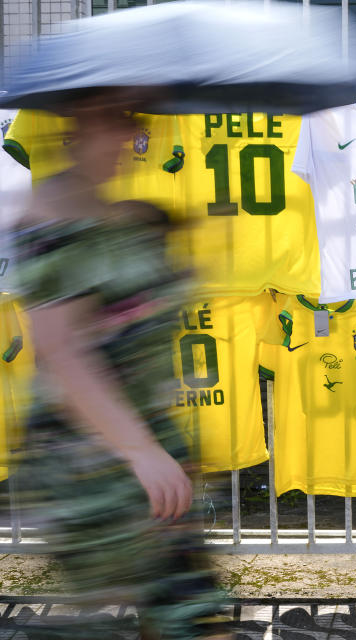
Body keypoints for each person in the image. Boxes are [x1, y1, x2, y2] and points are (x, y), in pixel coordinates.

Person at [13, 96, 231, 639]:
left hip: (140, 444)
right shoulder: (54, 210)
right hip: (96, 457)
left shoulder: (121, 211)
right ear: (78, 123)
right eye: (117, 118)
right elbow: (62, 351)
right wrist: (141, 451)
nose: (134, 133)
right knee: (183, 615)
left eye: (136, 119)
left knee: (182, 612)